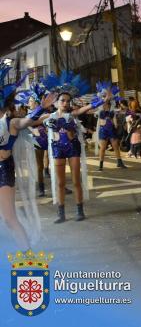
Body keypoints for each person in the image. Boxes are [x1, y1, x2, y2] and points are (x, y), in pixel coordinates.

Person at [41, 71, 111, 223]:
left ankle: (80, 210)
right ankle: (61, 213)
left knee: (76, 181)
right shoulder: (49, 117)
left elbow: (87, 107)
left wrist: (103, 99)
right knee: (60, 183)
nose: (65, 103)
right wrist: (40, 109)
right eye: (62, 100)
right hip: (58, 148)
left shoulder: (73, 114)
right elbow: (30, 121)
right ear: (56, 102)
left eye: (67, 101)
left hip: (73, 148)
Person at [0, 66, 56, 248]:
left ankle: (27, 256)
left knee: (10, 218)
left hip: (3, 171)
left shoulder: (11, 122)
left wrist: (41, 107)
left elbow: (27, 121)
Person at [15, 83, 49, 197]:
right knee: (39, 165)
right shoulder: (29, 115)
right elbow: (28, 123)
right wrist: (33, 128)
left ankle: (60, 185)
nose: (28, 103)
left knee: (53, 163)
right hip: (36, 141)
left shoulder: (46, 114)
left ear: (36, 102)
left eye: (30, 100)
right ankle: (41, 188)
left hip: (48, 139)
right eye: (29, 101)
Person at [94, 82, 127, 171]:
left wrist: (115, 124)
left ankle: (119, 162)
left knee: (116, 146)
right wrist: (108, 92)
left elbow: (114, 117)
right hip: (103, 129)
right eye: (105, 95)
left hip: (111, 128)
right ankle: (100, 165)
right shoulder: (100, 106)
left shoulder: (112, 106)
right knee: (103, 148)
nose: (107, 97)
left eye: (108, 95)